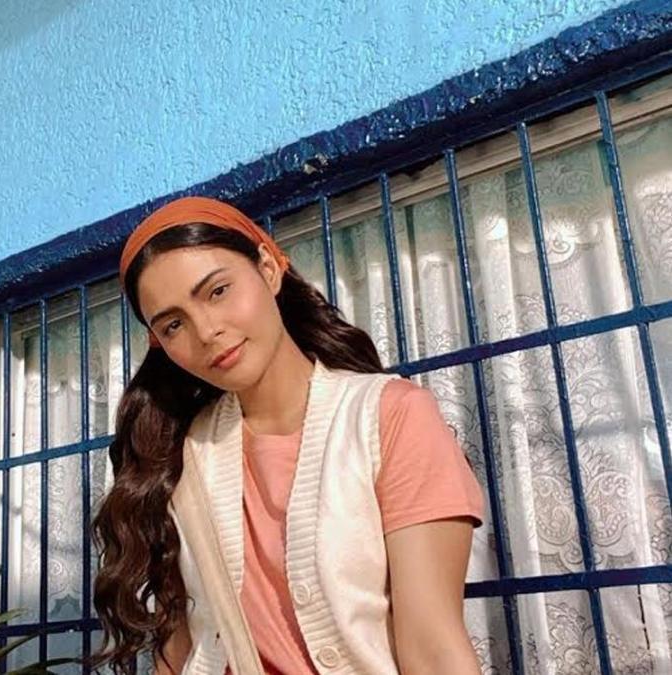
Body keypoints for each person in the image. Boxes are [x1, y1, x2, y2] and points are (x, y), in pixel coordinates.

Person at [90, 196, 485, 674]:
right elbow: (180, 651)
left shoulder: (388, 417)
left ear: (269, 268)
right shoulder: (181, 454)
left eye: (217, 291)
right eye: (174, 325)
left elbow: (434, 650)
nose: (207, 331)